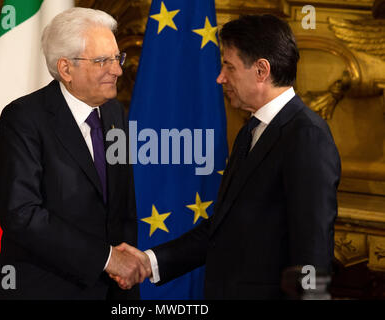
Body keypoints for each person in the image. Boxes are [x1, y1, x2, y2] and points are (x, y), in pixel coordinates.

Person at [113, 14, 341, 299]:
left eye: (228, 67)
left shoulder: (306, 135)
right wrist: (149, 262)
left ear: (261, 70)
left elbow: (313, 249)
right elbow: (222, 227)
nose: (220, 77)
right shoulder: (251, 132)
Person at [0, 8, 148, 300]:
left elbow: (123, 207)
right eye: (103, 60)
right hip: (45, 289)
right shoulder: (24, 118)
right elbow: (22, 215)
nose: (117, 70)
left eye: (117, 58)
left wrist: (123, 272)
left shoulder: (115, 113)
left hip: (112, 291)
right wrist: (106, 259)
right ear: (66, 69)